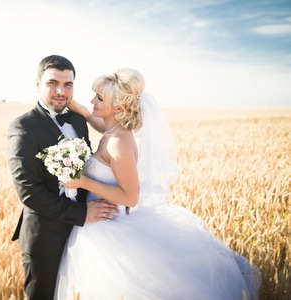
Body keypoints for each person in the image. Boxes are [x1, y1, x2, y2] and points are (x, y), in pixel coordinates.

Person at [54, 67, 261, 300]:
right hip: (98, 220)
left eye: (99, 98)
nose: (93, 100)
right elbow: (101, 124)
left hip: (106, 226)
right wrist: (81, 110)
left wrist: (84, 182)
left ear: (119, 107)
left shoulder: (119, 143)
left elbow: (131, 197)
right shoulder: (114, 130)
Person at [7, 55, 120, 300]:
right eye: (52, 83)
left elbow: (91, 165)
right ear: (38, 84)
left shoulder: (78, 120)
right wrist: (83, 214)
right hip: (45, 239)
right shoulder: (22, 127)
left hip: (88, 235)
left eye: (68, 84)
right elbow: (29, 193)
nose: (61, 91)